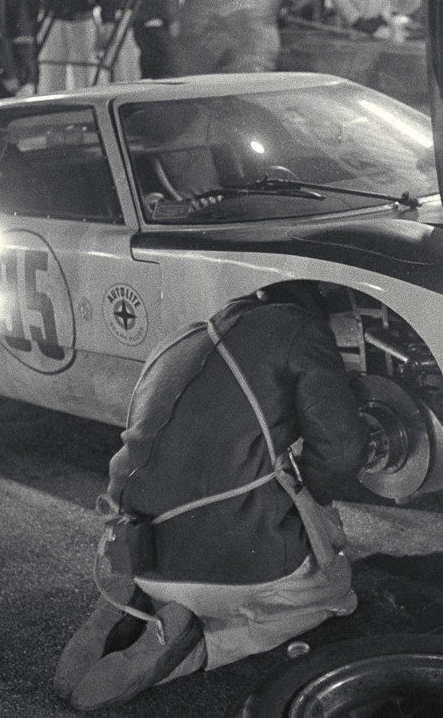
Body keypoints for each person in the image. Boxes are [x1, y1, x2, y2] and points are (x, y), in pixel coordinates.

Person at [53, 285, 366, 710]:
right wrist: (316, 502)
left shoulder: (180, 338)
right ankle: (193, 646)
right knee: (331, 593)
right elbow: (341, 452)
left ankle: (120, 607)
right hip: (226, 571)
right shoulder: (300, 327)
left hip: (135, 551)